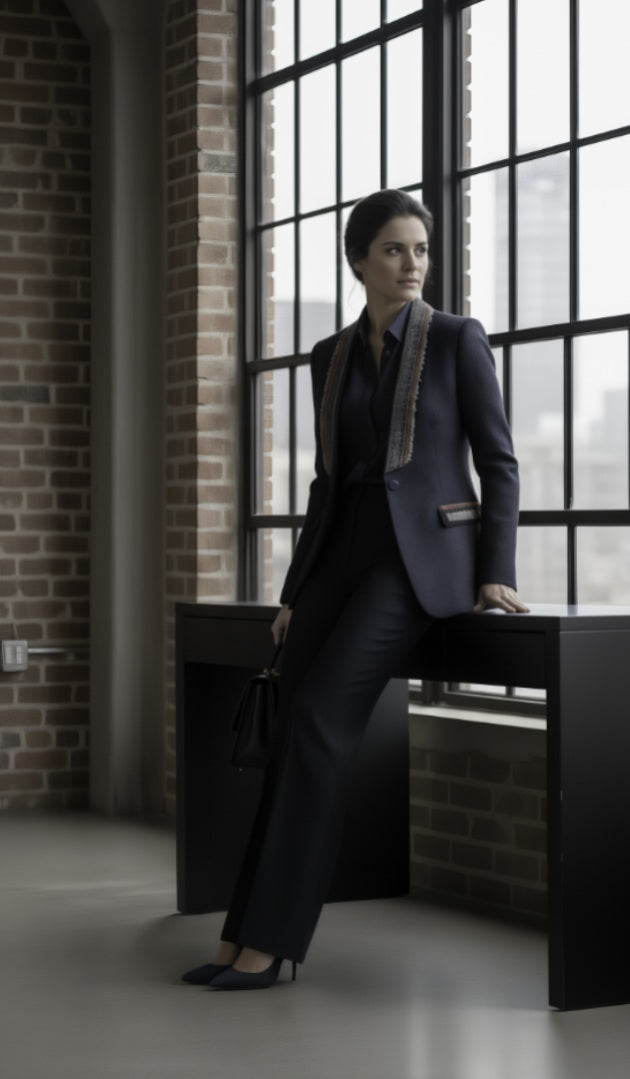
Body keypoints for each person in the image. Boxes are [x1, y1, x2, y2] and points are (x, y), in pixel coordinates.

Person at [182, 188, 529, 991]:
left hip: (414, 567)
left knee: (315, 721)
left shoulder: (455, 340)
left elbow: (498, 462)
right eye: (395, 250)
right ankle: (240, 934)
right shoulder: (328, 356)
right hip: (340, 555)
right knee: (288, 730)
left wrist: (495, 568)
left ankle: (272, 946)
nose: (413, 265)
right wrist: (294, 591)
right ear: (359, 261)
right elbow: (328, 482)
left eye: (421, 251)